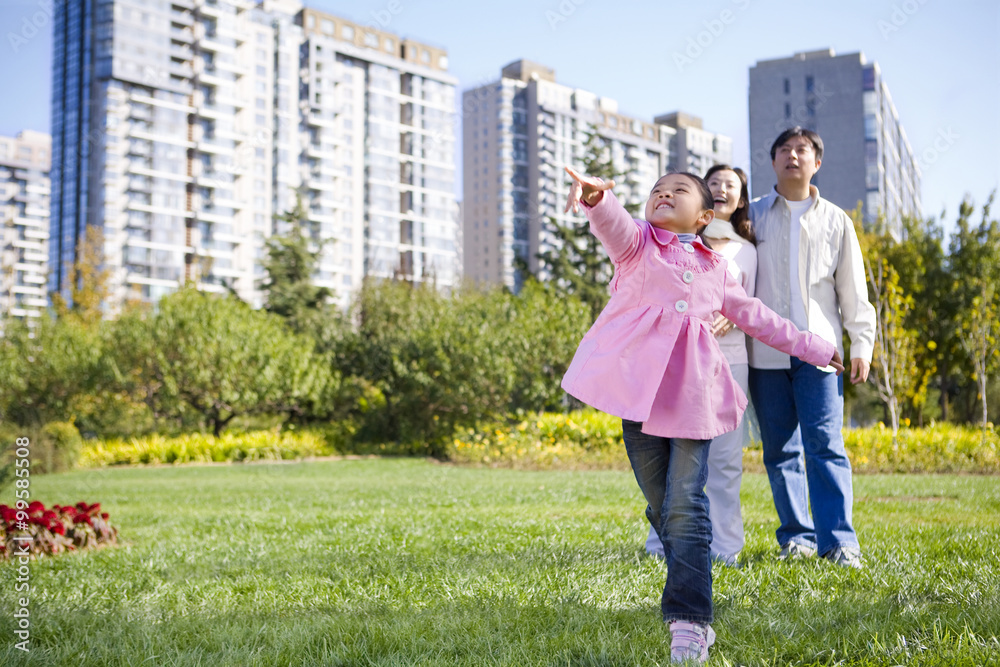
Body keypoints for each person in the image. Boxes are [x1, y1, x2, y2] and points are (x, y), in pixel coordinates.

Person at [560, 165, 844, 664]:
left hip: (693, 401)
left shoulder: (718, 269)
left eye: (679, 191)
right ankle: (688, 579)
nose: (664, 194)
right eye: (657, 191)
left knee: (687, 507)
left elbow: (761, 319)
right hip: (641, 401)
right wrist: (596, 200)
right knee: (663, 506)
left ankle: (690, 621)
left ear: (705, 216)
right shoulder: (638, 248)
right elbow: (613, 224)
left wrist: (816, 347)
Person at [747, 127, 877, 569]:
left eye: (802, 150)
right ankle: (796, 538)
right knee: (779, 451)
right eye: (783, 149)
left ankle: (839, 543)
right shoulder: (753, 216)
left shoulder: (837, 220)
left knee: (825, 445)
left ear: (816, 162)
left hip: (822, 356)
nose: (792, 156)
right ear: (773, 161)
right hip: (763, 355)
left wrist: (862, 343)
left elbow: (852, 291)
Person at [644, 165, 756, 568]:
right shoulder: (671, 243)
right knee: (672, 458)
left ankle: (726, 547)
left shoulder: (748, 251)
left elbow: (753, 307)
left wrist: (732, 314)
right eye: (714, 184)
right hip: (678, 363)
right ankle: (662, 544)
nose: (722, 189)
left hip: (730, 361)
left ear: (740, 198)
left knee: (725, 459)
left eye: (731, 185)